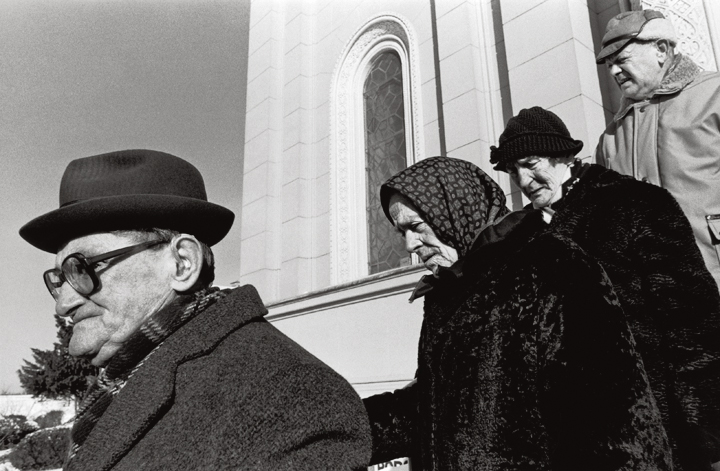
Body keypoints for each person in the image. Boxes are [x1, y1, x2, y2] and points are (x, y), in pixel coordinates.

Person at [19, 149, 371, 471]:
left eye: (82, 268)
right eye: (59, 279)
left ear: (182, 263)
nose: (63, 303)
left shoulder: (287, 393)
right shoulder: (125, 378)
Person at [364, 156, 671, 470]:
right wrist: (340, 424)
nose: (410, 245)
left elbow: (617, 425)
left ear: (455, 210)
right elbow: (429, 406)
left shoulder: (550, 265)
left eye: (416, 227)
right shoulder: (447, 295)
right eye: (401, 232)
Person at [490, 106, 720, 470]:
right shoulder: (526, 236)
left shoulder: (635, 203)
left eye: (530, 164)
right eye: (512, 170)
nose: (523, 179)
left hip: (656, 429)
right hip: (573, 439)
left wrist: (702, 430)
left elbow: (693, 321)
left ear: (562, 154)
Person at [594, 9, 720, 291]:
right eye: (609, 65)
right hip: (655, 302)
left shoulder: (715, 94)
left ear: (661, 49)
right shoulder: (609, 139)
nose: (614, 71)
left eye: (622, 60)